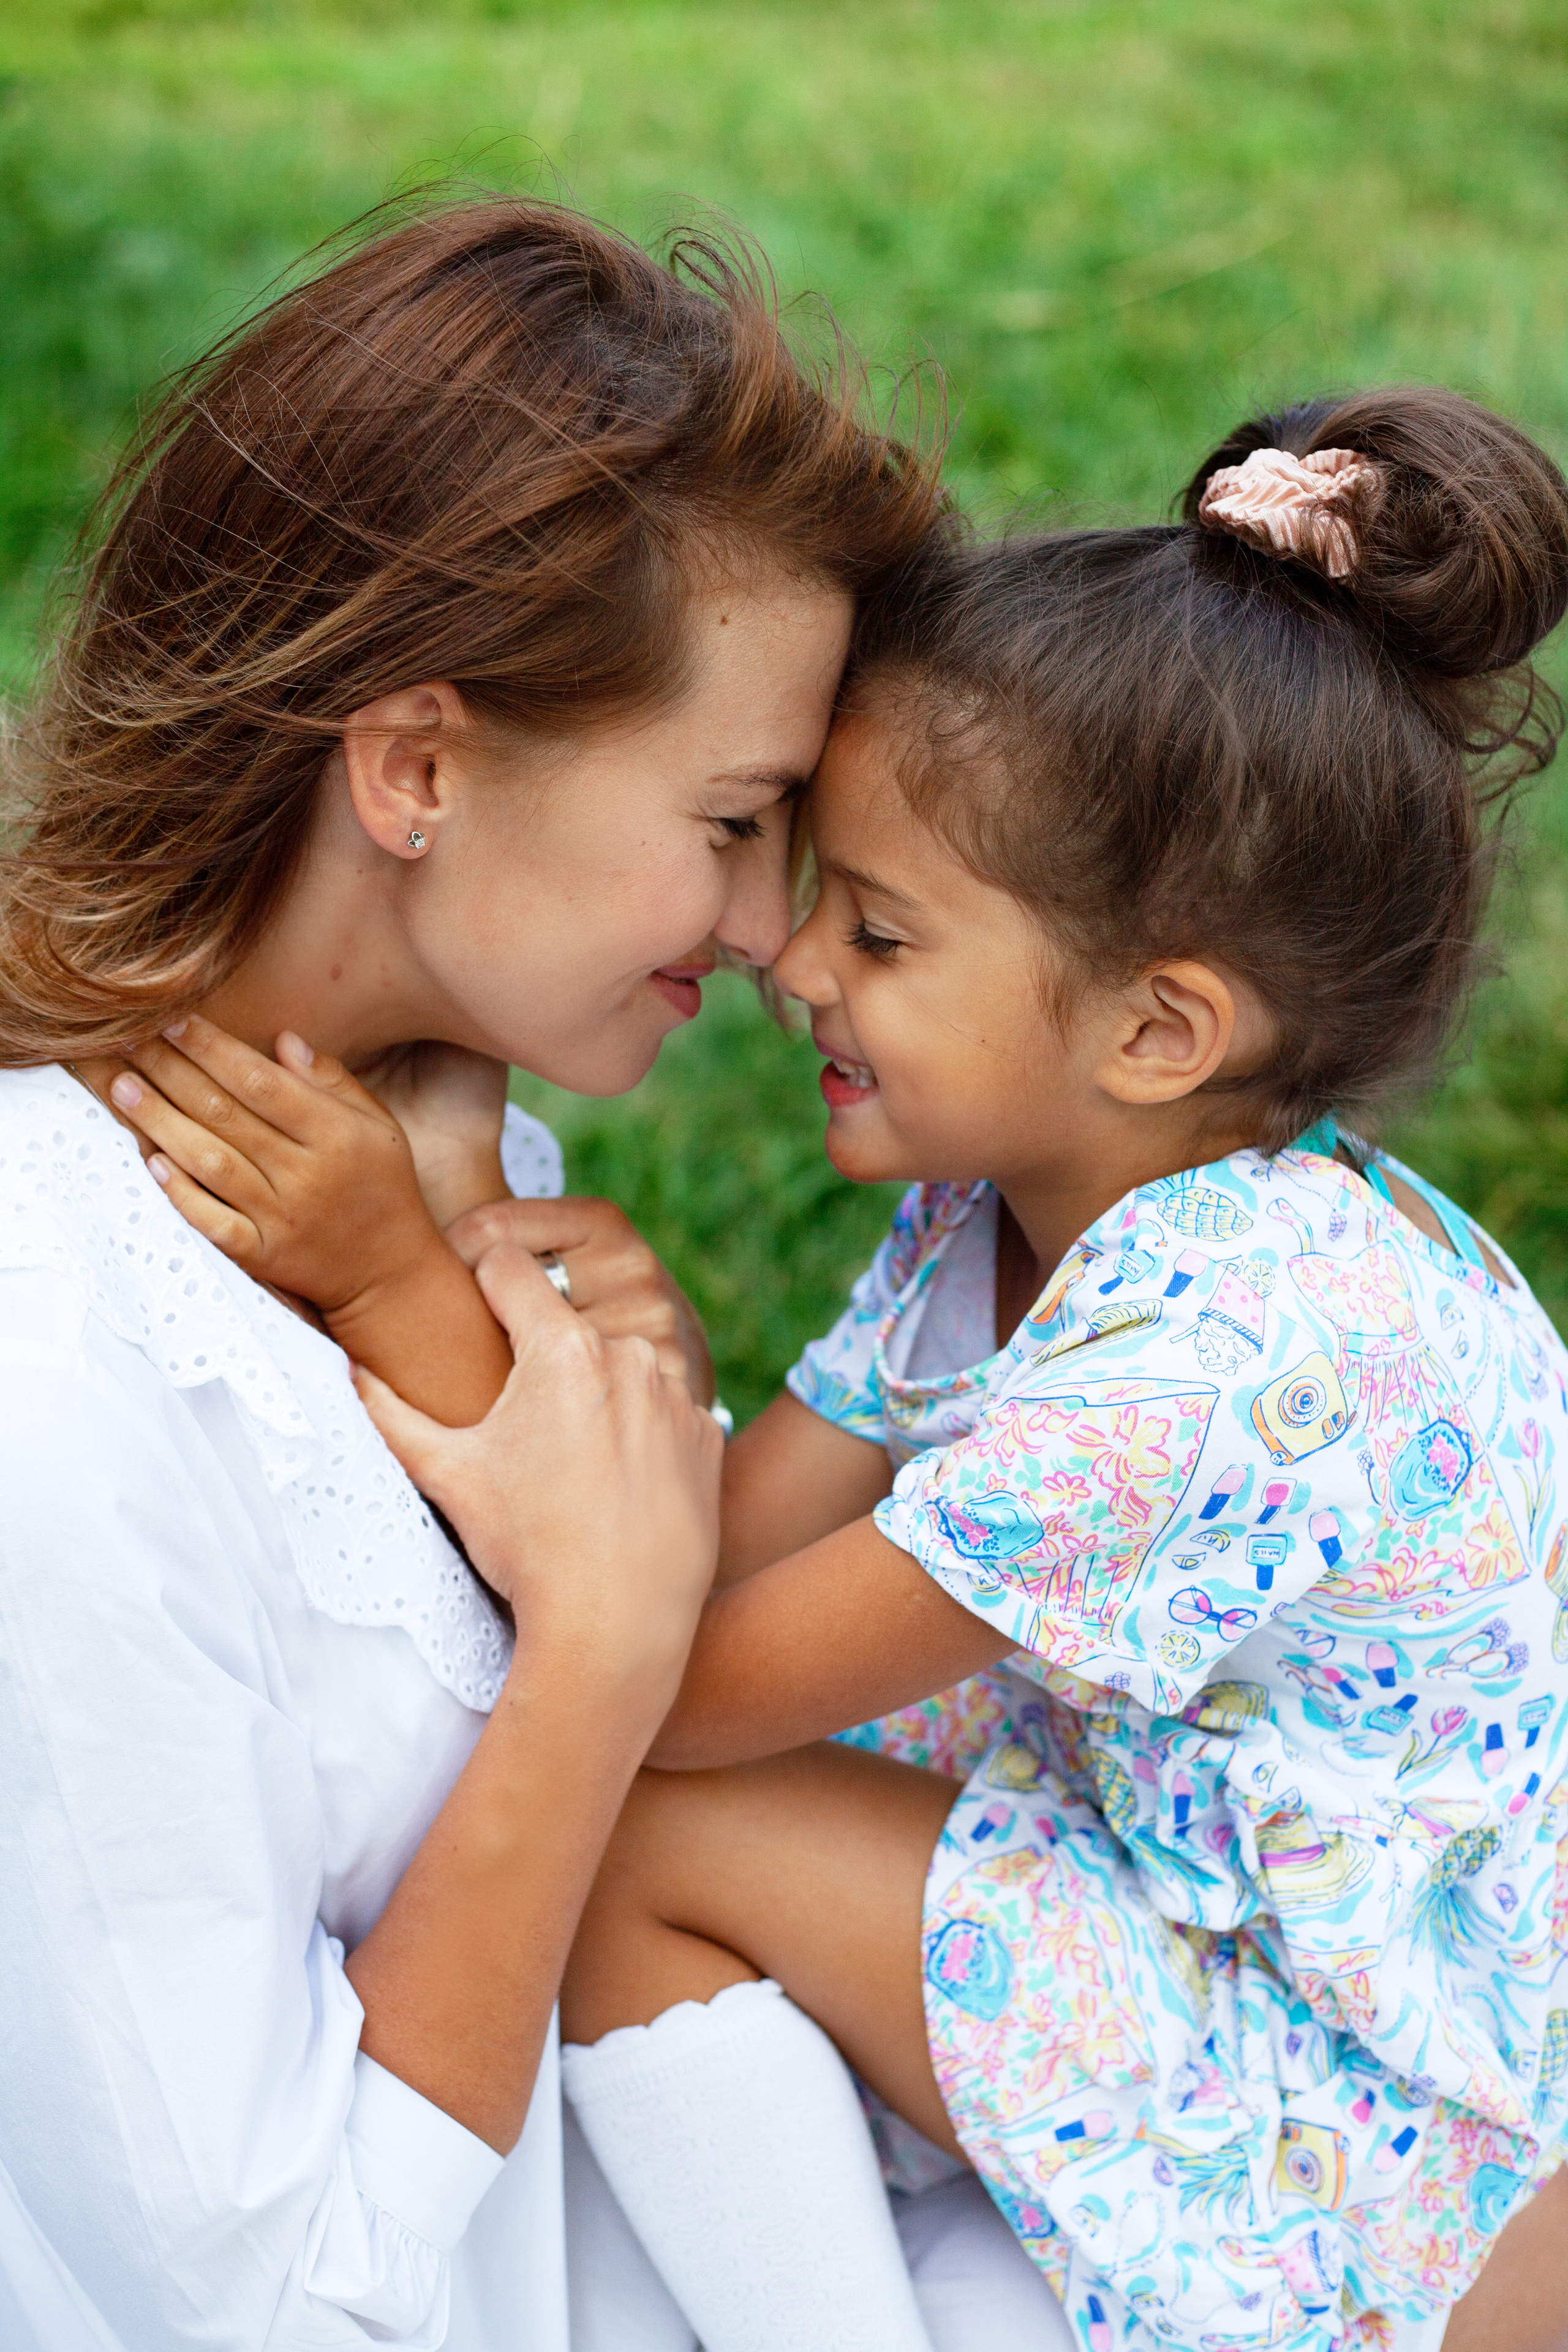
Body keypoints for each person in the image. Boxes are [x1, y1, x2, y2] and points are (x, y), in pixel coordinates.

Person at [134, 389, 1568, 2351]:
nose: (793, 963)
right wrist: (541, 1295)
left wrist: (406, 1276)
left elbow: (668, 1687)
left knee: (642, 1836)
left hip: (1364, 2128)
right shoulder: (1014, 1207)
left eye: (879, 933)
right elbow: (715, 1557)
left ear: (1158, 1032)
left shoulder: (1219, 1365)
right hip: (1190, 1908)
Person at [0, 189, 998, 2348]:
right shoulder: (51, 1388)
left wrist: (608, 1426)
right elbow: (273, 2306)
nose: (770, 933)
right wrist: (601, 1648)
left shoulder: (433, 1138)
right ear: (420, 767)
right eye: (732, 822)